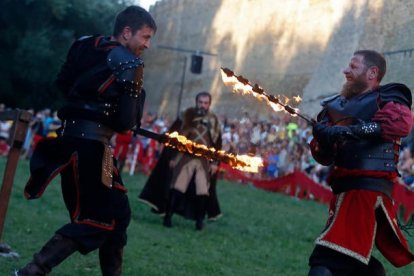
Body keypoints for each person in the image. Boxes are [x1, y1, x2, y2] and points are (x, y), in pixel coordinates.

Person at [16, 5, 156, 275]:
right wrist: (127, 103)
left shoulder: (83, 45)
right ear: (127, 33)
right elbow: (125, 123)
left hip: (79, 141)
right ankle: (29, 272)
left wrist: (91, 103)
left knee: (119, 214)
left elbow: (63, 83)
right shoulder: (131, 63)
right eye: (146, 37)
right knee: (96, 220)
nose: (147, 45)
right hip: (91, 148)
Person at [308, 50, 414, 275]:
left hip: (366, 192)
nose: (346, 70)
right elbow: (324, 156)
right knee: (353, 262)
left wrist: (346, 131)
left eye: (353, 66)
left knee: (325, 258)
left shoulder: (387, 99)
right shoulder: (336, 106)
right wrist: (323, 138)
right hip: (343, 192)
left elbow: (399, 125)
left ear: (372, 72)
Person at [161, 91, 222, 230]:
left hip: (204, 160)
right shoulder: (186, 115)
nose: (203, 105)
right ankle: (168, 217)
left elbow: (217, 143)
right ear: (196, 102)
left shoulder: (213, 120)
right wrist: (172, 157)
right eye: (200, 102)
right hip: (184, 157)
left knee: (202, 190)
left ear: (209, 104)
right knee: (177, 187)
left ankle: (199, 221)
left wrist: (214, 162)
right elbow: (173, 136)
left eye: (206, 103)